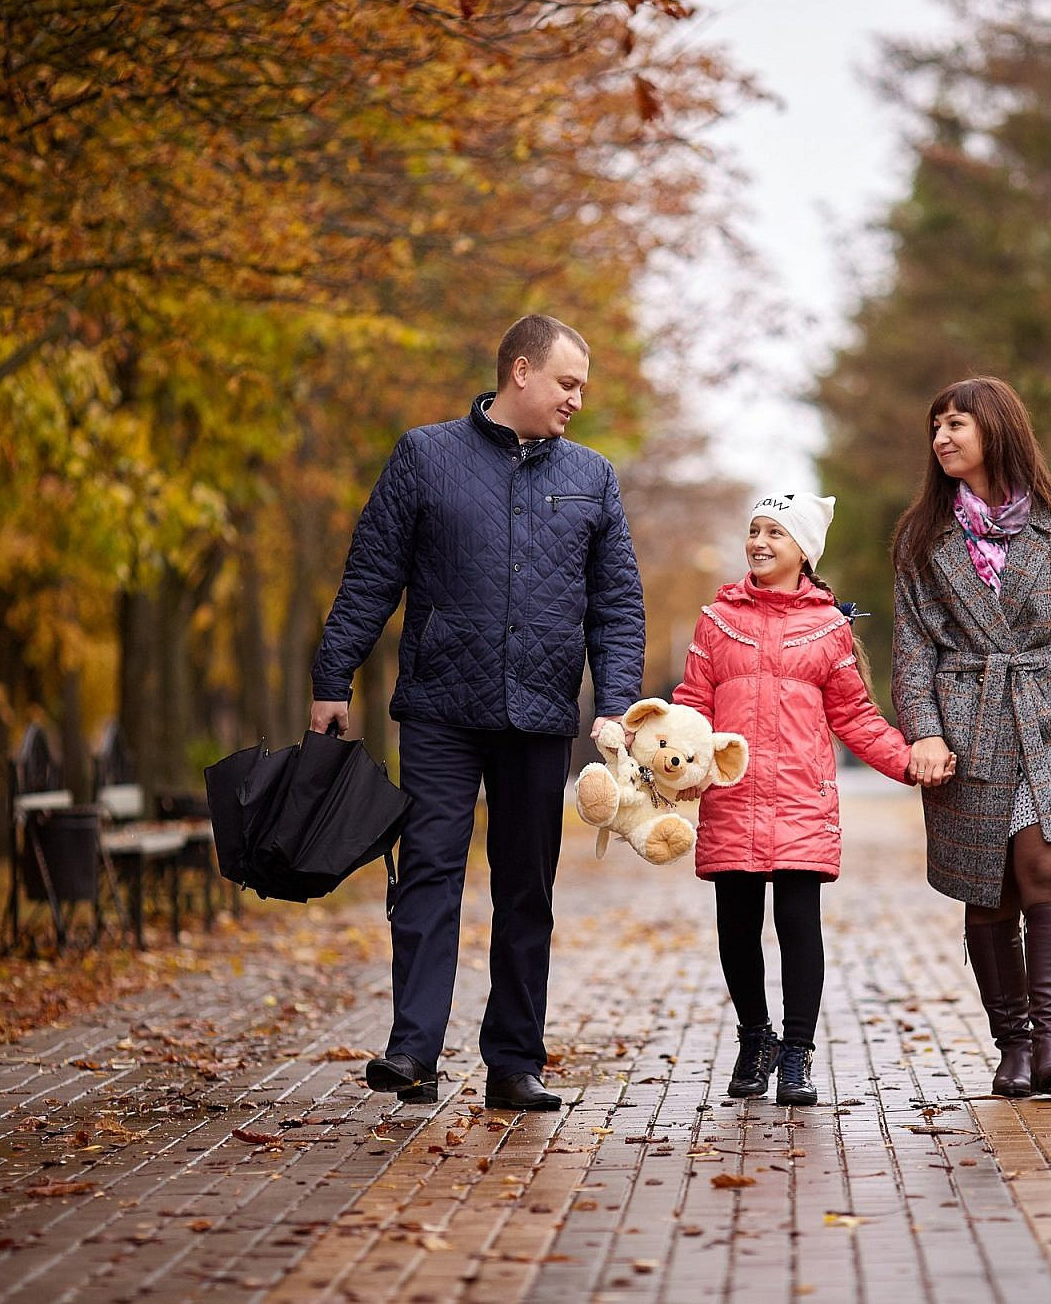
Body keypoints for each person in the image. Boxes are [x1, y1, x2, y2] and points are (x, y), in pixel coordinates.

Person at [309, 314, 645, 1112]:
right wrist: (333, 678)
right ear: (520, 372)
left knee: (526, 888)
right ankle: (412, 1051)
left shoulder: (593, 476)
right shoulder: (423, 457)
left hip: (539, 712)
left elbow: (618, 606)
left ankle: (514, 1062)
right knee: (428, 871)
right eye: (567, 384)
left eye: (584, 390)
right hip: (439, 708)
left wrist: (620, 708)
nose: (576, 401)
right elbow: (370, 578)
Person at [889, 376, 1051, 1099]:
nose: (942, 438)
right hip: (968, 727)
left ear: (997, 429)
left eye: (956, 423)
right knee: (987, 887)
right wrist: (924, 733)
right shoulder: (922, 539)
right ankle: (1014, 1045)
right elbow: (911, 651)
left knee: (1045, 866)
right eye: (935, 427)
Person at [672, 492, 933, 1106]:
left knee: (797, 927)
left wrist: (909, 761)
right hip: (731, 796)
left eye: (775, 533)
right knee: (736, 929)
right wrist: (665, 755)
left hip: (799, 802)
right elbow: (690, 705)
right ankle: (754, 1035)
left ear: (804, 551)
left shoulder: (829, 630)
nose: (759, 542)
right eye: (754, 530)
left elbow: (857, 716)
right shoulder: (717, 621)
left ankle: (795, 1052)